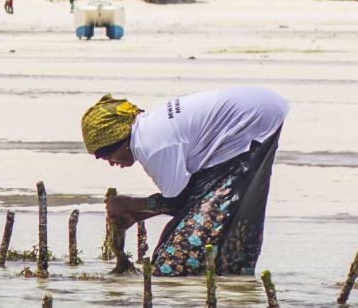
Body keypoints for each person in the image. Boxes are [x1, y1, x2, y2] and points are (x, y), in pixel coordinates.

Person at [83, 88, 288, 276]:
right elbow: (188, 197)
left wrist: (128, 205)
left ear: (119, 139)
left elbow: (180, 202)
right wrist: (135, 214)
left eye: (107, 154)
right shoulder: (148, 130)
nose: (111, 162)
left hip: (255, 121)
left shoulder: (152, 147)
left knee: (172, 264)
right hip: (257, 108)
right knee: (207, 216)